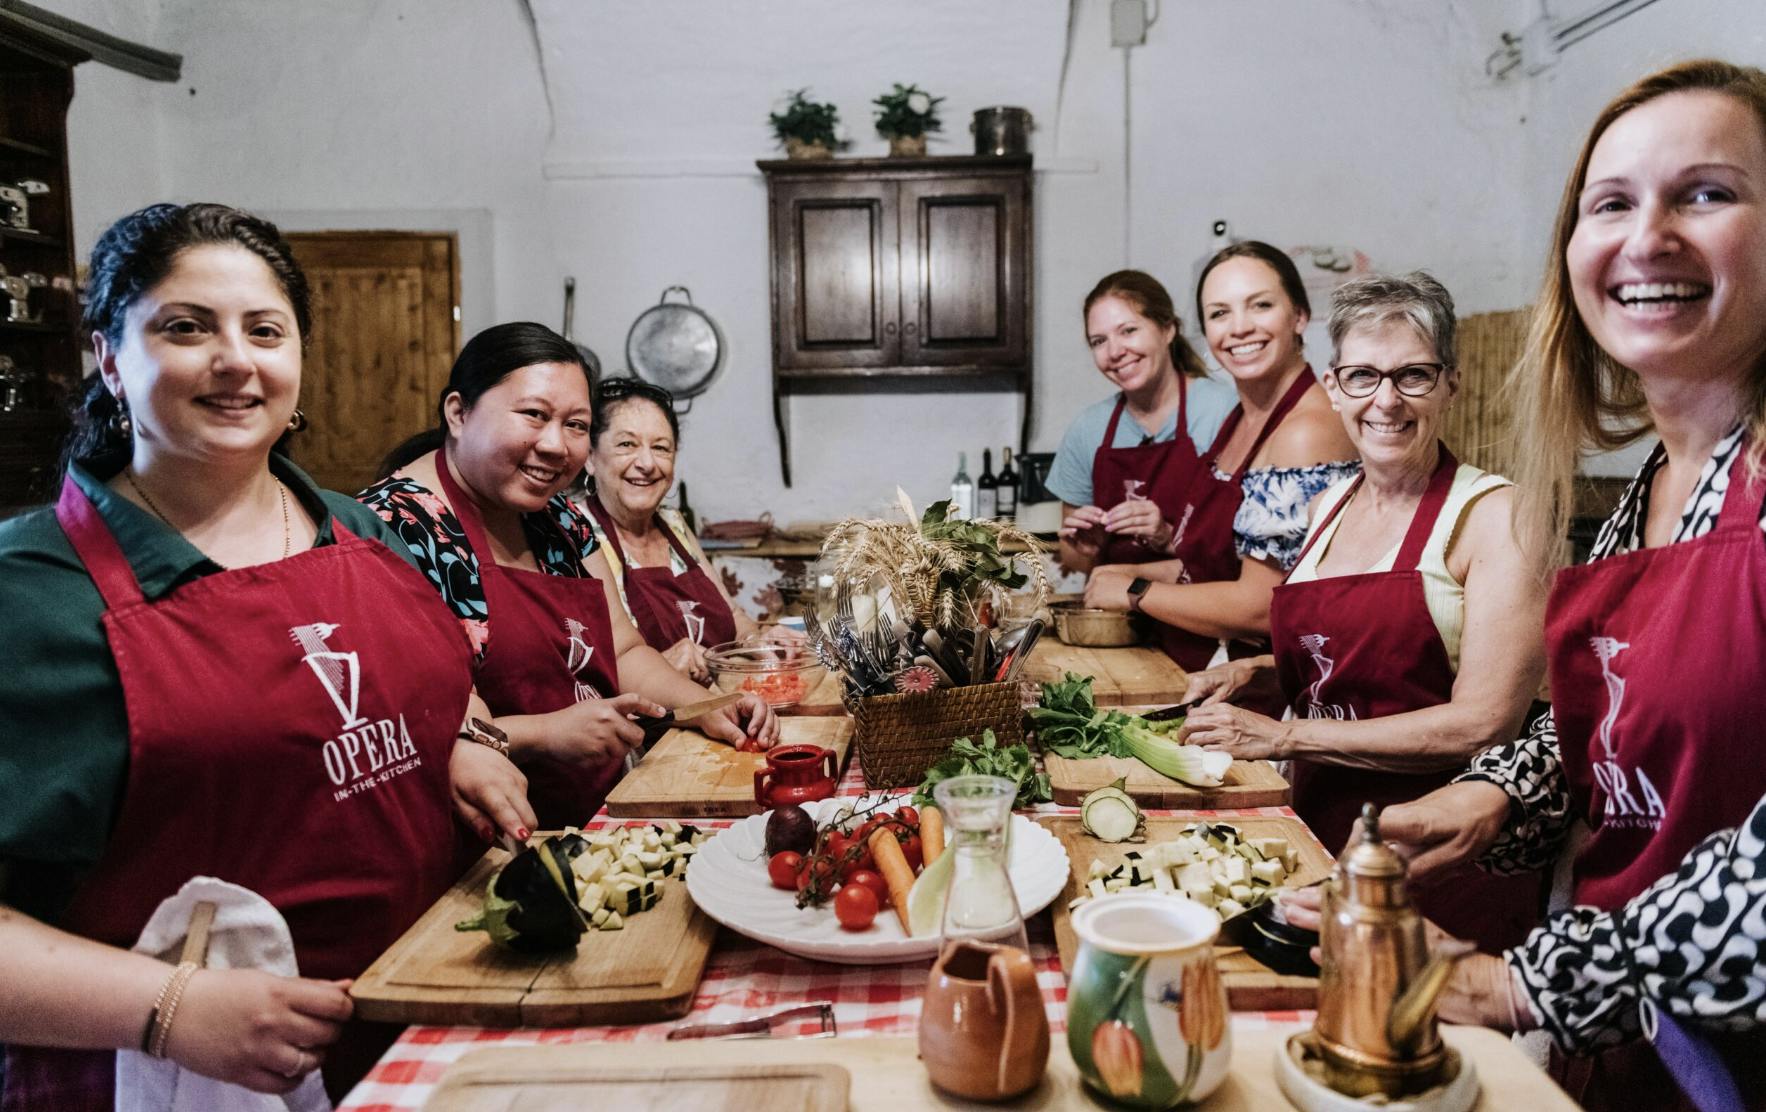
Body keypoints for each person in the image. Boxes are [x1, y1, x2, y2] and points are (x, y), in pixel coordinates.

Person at [1301, 61, 1766, 1110]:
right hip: (1639, 1050)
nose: (1647, 236)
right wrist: (1494, 791)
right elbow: (1598, 731)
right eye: (1611, 202)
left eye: (1705, 192)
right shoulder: (1650, 481)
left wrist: (1528, 979)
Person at [0, 203, 532, 1107]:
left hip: (421, 1045)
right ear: (109, 358)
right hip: (183, 1079)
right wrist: (166, 1007)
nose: (235, 359)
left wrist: (448, 748)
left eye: (264, 330)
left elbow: (347, 716)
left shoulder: (355, 532)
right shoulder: (31, 594)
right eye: (185, 327)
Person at [1180, 272, 1547, 953]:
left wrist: (1286, 738)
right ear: (1333, 385)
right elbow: (1344, 656)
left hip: (1438, 857)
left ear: (1450, 386)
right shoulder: (1329, 508)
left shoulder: (1497, 516)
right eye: (1362, 377)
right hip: (1319, 833)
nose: (1386, 400)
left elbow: (1484, 722)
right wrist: (1258, 672)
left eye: (1412, 376)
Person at [361, 324, 778, 829]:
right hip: (483, 841)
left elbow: (622, 649)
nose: (557, 445)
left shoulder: (559, 518)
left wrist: (705, 705)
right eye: (534, 415)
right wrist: (546, 733)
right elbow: (414, 727)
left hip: (597, 813)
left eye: (576, 425)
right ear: (458, 412)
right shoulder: (389, 530)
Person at [1084, 243, 1360, 679]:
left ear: (1300, 316)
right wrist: (1127, 570)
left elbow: (1260, 607)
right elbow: (1213, 566)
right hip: (1200, 664)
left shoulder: (1306, 430)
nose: (1240, 328)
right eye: (1219, 313)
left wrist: (1137, 590)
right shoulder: (1243, 416)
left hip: (1266, 686)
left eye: (1261, 305)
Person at [571, 376, 804, 683]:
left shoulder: (674, 524)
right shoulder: (577, 533)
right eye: (627, 444)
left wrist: (758, 641)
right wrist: (658, 665)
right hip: (649, 724)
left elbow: (733, 617)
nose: (647, 463)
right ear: (590, 458)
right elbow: (583, 666)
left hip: (716, 707)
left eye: (661, 448)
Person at [1048, 271, 1238, 601]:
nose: (1115, 351)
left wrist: (1166, 537)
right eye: (1099, 341)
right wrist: (1089, 548)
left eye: (1129, 331)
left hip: (1204, 618)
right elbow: (1074, 559)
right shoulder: (1087, 430)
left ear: (1168, 329)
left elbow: (1242, 555)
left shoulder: (1222, 411)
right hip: (1118, 620)